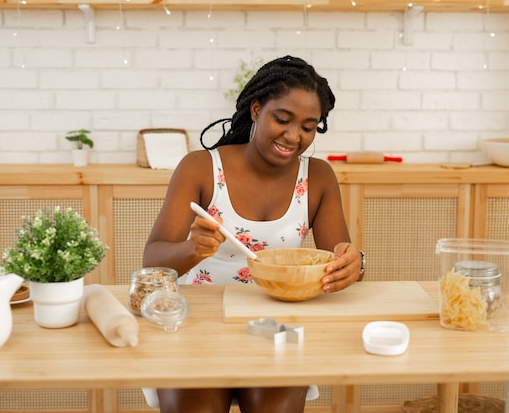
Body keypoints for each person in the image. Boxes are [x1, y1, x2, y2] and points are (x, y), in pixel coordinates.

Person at [142, 55, 365, 413]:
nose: (294, 136)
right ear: (257, 109)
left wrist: (354, 265)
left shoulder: (319, 177)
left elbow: (336, 262)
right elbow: (152, 262)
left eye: (309, 126)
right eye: (282, 119)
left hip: (277, 325)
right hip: (198, 322)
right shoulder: (200, 168)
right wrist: (192, 249)